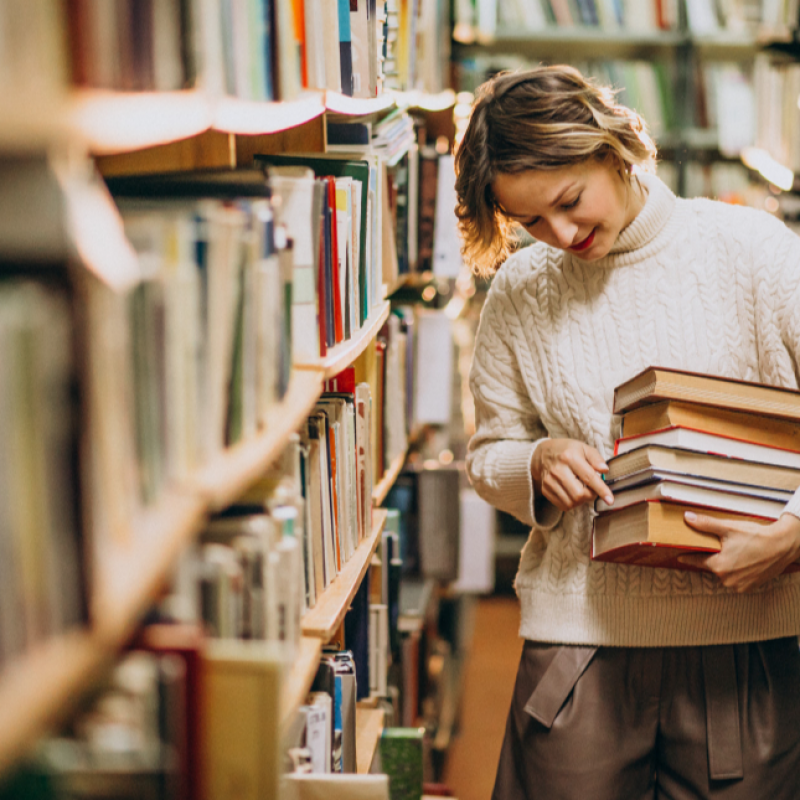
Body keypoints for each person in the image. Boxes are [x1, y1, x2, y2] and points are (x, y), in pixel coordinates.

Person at [455, 65, 800, 800]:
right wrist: (537, 460)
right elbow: (489, 453)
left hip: (747, 648)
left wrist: (795, 534)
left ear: (612, 148)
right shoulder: (522, 289)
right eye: (530, 223)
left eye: (569, 201)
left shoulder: (757, 253)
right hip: (578, 647)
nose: (562, 234)